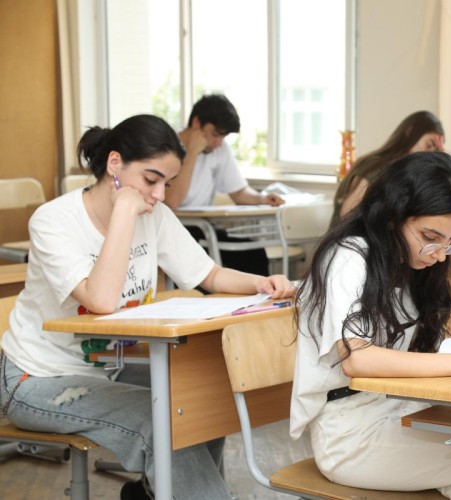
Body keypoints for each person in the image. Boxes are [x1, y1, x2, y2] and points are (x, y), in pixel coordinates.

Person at [0, 114, 295, 499]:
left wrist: (260, 283)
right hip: (37, 379)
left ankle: (153, 492)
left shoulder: (155, 215)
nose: (159, 195)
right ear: (115, 164)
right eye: (151, 179)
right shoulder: (54, 221)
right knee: (160, 421)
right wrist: (123, 212)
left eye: (166, 183)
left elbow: (208, 274)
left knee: (201, 397)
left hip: (113, 367)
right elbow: (101, 301)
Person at [290, 151, 451, 498]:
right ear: (392, 216)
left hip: (402, 408)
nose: (439, 254)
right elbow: (356, 358)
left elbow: (418, 354)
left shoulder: (413, 263)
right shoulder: (349, 257)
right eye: (430, 236)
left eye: (450, 241)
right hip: (349, 432)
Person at [164, 94, 284, 276]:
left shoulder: (219, 149)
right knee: (207, 257)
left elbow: (238, 192)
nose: (218, 142)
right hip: (175, 228)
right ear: (196, 123)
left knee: (255, 255)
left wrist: (262, 198)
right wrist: (192, 152)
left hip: (203, 228)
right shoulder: (167, 145)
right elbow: (172, 201)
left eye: (223, 136)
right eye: (215, 134)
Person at [330, 110, 445, 227]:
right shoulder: (375, 165)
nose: (430, 154)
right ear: (410, 132)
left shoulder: (408, 172)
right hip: (349, 236)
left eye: (436, 150)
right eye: (429, 145)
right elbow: (348, 215)